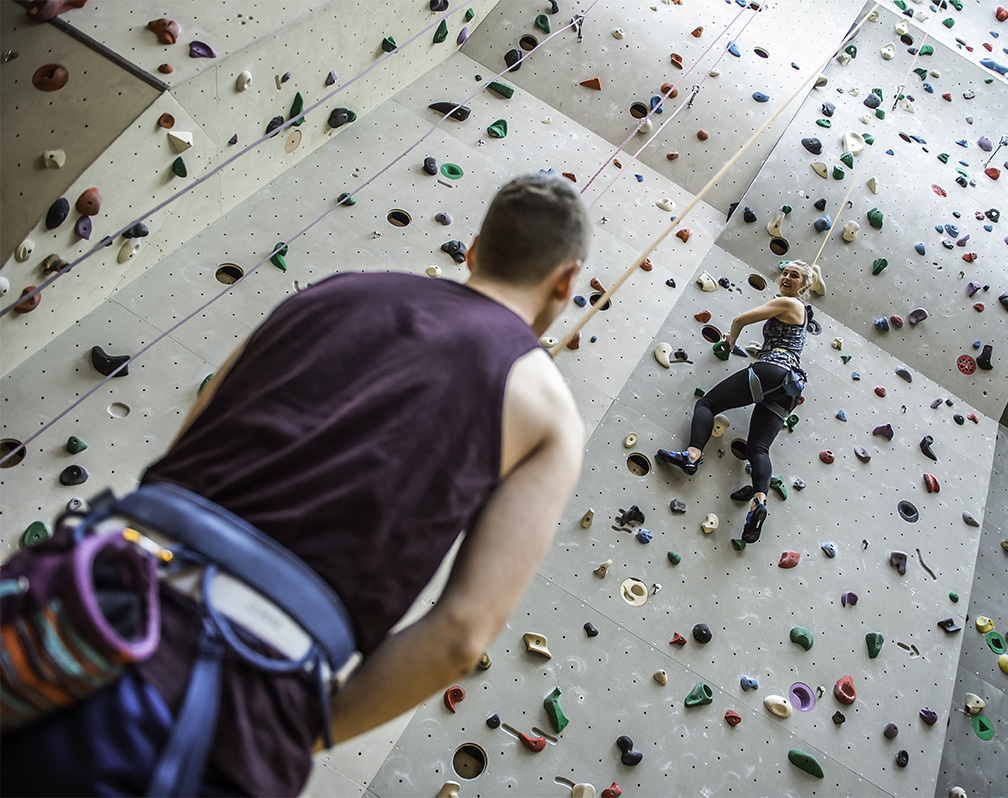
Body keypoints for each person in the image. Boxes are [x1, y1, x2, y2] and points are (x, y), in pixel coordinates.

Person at [0, 174, 589, 796]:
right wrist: (300, 732)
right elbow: (461, 635)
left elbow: (189, 440)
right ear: (567, 280)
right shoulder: (549, 412)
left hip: (67, 598)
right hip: (219, 697)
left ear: (473, 251)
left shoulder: (333, 293)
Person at [657, 260, 813, 543]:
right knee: (758, 448)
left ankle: (692, 455)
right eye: (785, 272)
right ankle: (759, 503)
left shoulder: (789, 302)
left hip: (773, 369)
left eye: (795, 276)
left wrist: (730, 343)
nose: (787, 277)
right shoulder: (800, 314)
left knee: (707, 405)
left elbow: (741, 319)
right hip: (790, 386)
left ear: (803, 286)